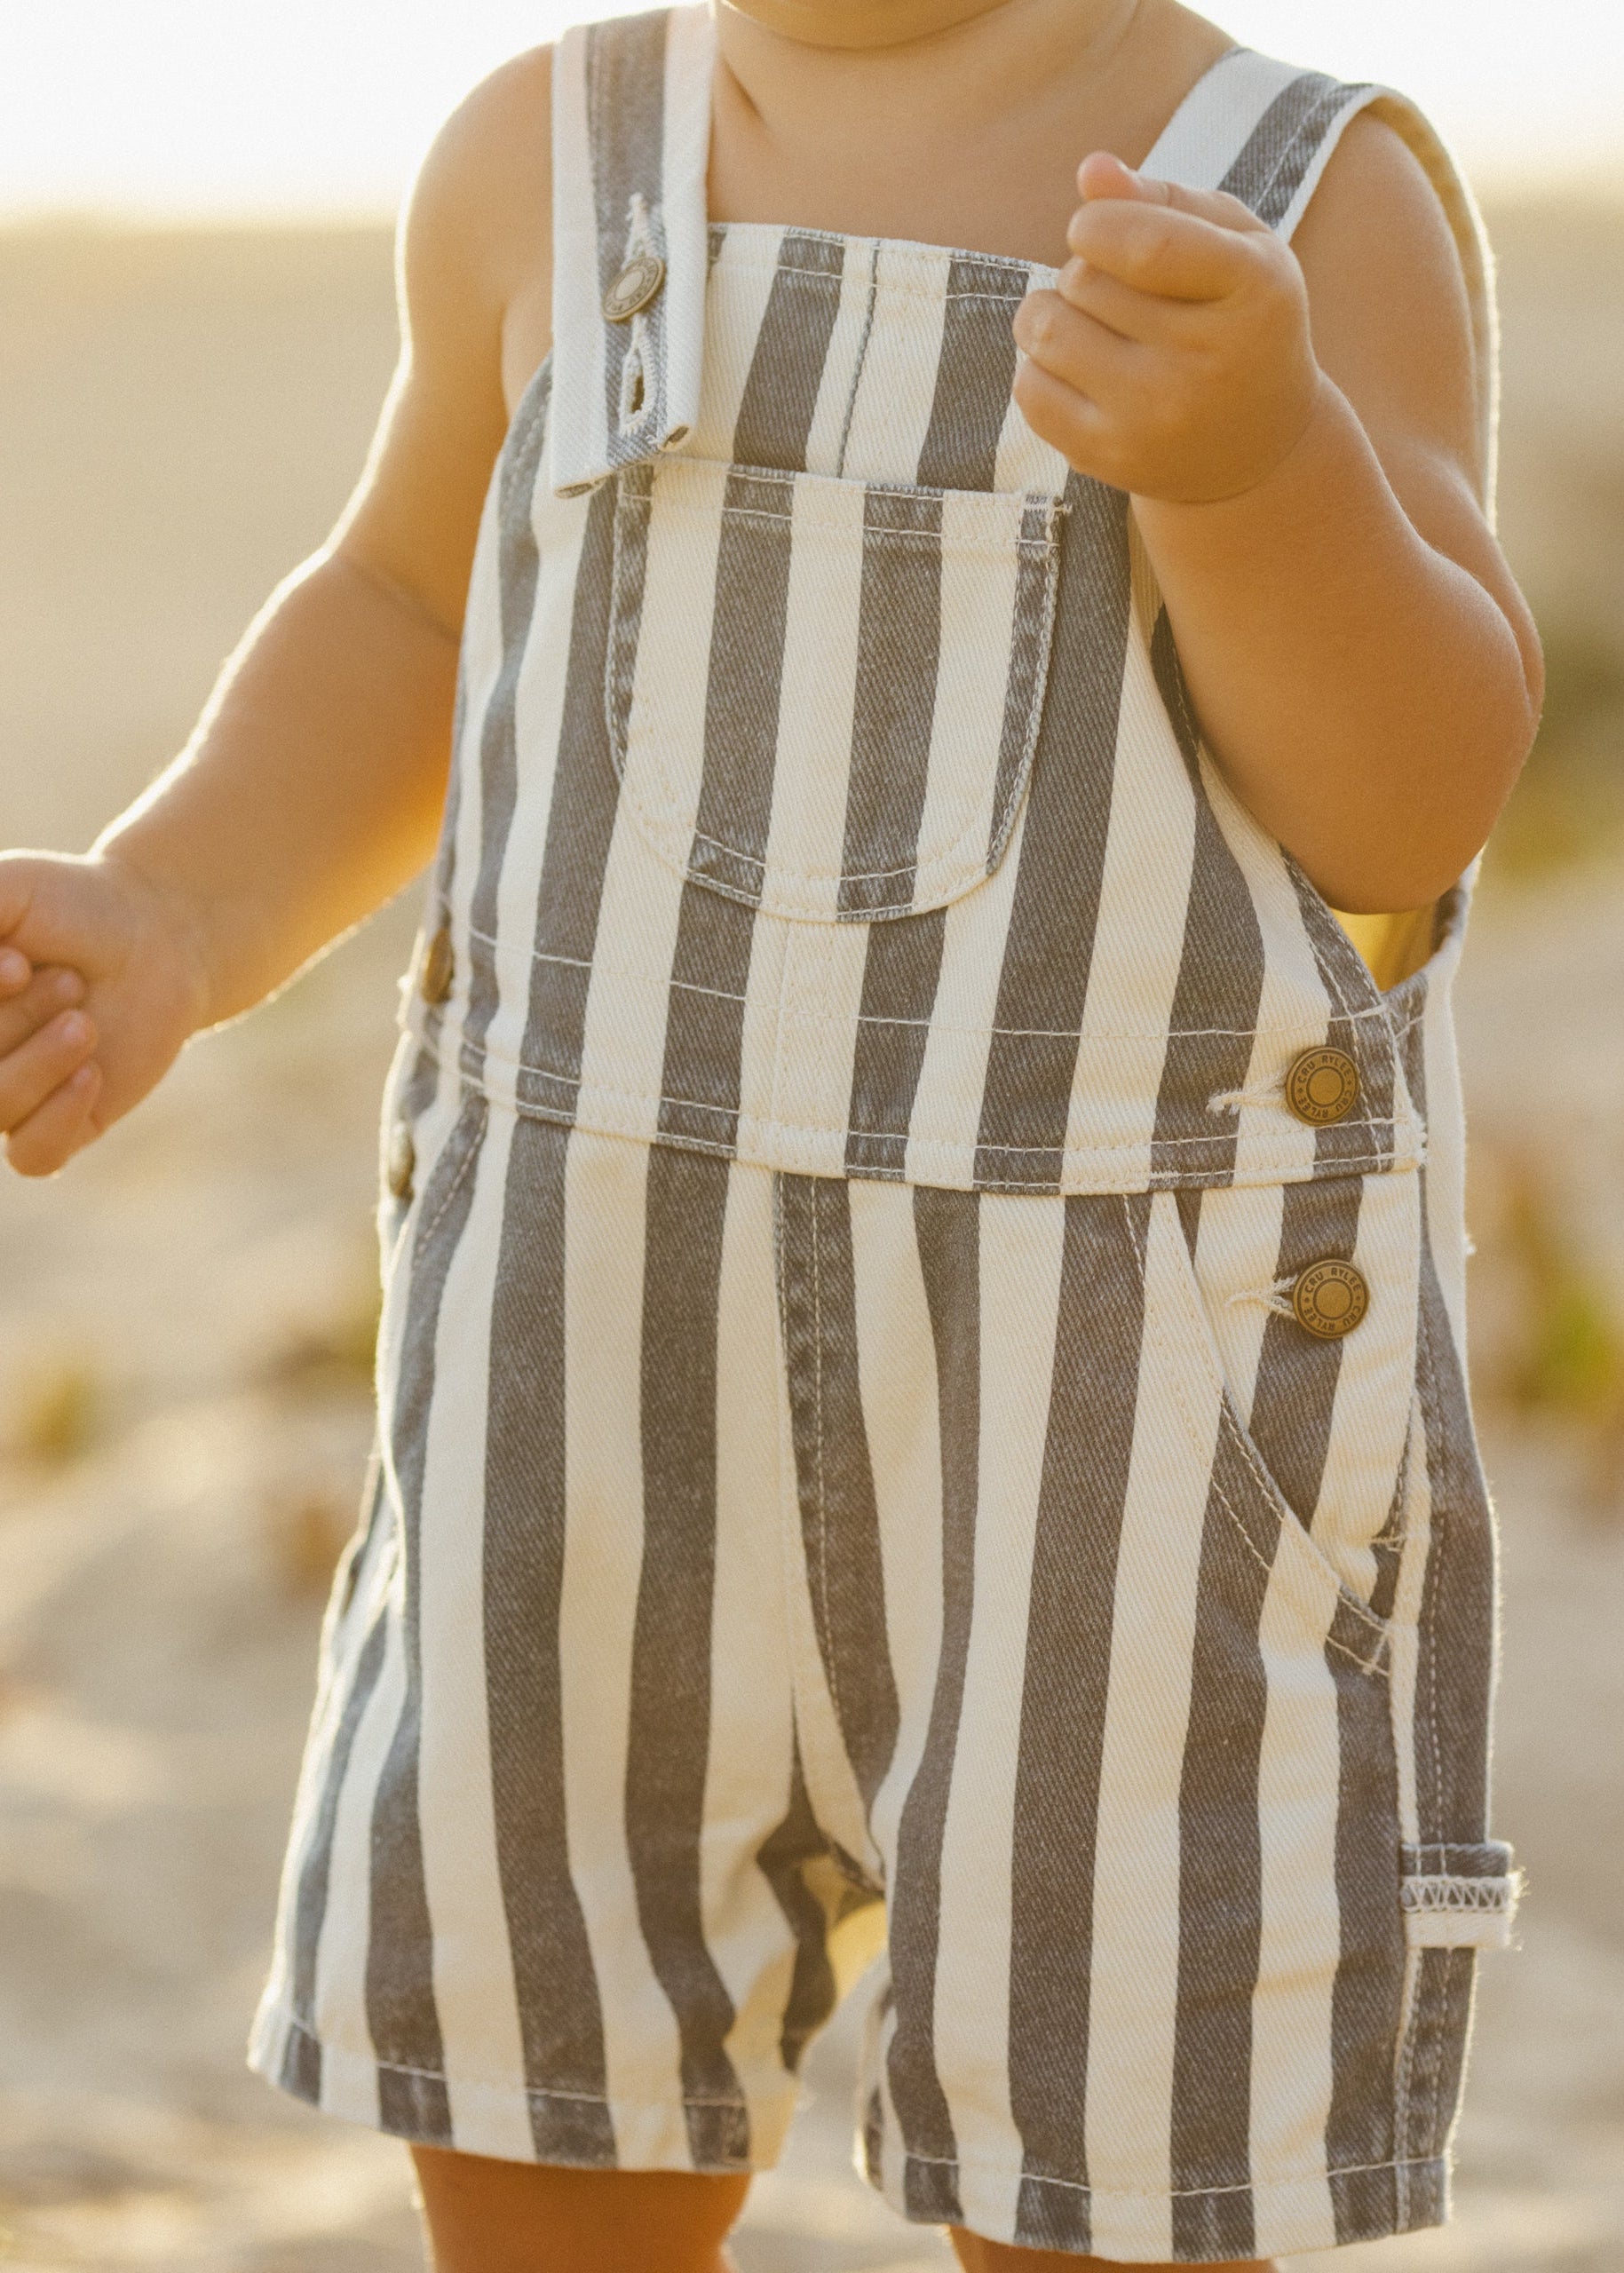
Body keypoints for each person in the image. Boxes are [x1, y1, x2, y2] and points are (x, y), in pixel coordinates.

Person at [0, 2, 1541, 2267]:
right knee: (543, 2068)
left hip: (1115, 1387)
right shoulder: (544, 151)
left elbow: (1411, 801)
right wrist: (176, 903)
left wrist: (1265, 470)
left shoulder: (1295, 198)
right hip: (586, 1340)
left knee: (1119, 2110)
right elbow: (411, 604)